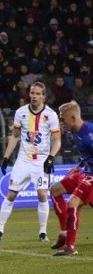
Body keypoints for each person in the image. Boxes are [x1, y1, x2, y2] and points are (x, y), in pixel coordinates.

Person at [0, 82, 62, 243]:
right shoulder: (20, 113)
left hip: (41, 161)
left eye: (38, 94)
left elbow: (57, 141)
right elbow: (15, 136)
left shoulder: (51, 115)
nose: (34, 96)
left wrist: (51, 157)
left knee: (42, 194)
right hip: (23, 160)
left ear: (44, 96)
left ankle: (43, 232)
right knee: (11, 194)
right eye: (32, 93)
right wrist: (6, 157)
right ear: (29, 94)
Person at [48, 101, 93, 256]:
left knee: (73, 202)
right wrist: (79, 166)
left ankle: (70, 246)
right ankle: (65, 232)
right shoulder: (75, 132)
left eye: (63, 119)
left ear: (73, 118)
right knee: (55, 190)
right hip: (85, 172)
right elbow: (88, 155)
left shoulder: (89, 134)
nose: (62, 123)